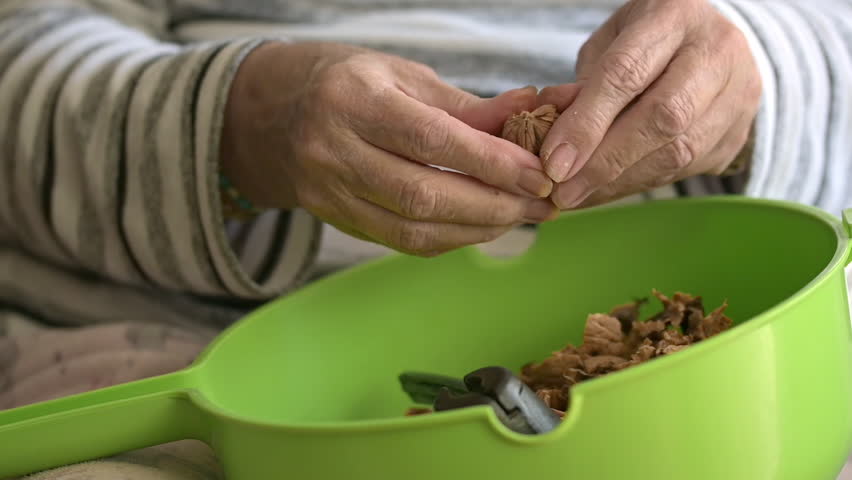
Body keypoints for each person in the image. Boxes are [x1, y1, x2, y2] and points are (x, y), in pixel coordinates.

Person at [0, 0, 850, 477]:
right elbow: (22, 56)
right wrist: (242, 126)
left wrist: (754, 75)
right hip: (187, 344)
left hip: (730, 360)